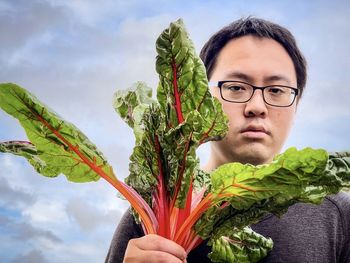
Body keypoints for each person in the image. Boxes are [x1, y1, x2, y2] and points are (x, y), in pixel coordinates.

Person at [105, 17, 350, 263]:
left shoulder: (338, 214)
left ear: (296, 105)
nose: (257, 106)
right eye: (235, 87)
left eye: (276, 90)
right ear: (202, 100)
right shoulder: (150, 217)